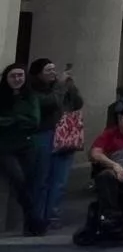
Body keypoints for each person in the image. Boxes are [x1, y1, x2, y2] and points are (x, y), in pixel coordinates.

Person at [28, 59, 83, 231]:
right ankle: (39, 216)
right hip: (44, 134)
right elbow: (49, 102)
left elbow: (77, 103)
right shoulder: (33, 90)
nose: (53, 73)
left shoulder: (60, 87)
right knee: (42, 179)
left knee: (60, 180)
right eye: (48, 70)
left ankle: (53, 215)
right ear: (38, 73)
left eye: (54, 69)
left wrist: (71, 86)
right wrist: (61, 86)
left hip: (65, 135)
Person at [0, 63, 43, 234]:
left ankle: (30, 222)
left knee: (29, 181)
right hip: (5, 147)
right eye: (13, 76)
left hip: (27, 145)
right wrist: (17, 120)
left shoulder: (30, 97)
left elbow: (34, 121)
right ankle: (33, 218)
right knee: (18, 179)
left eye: (20, 76)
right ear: (6, 78)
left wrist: (11, 120)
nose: (17, 79)